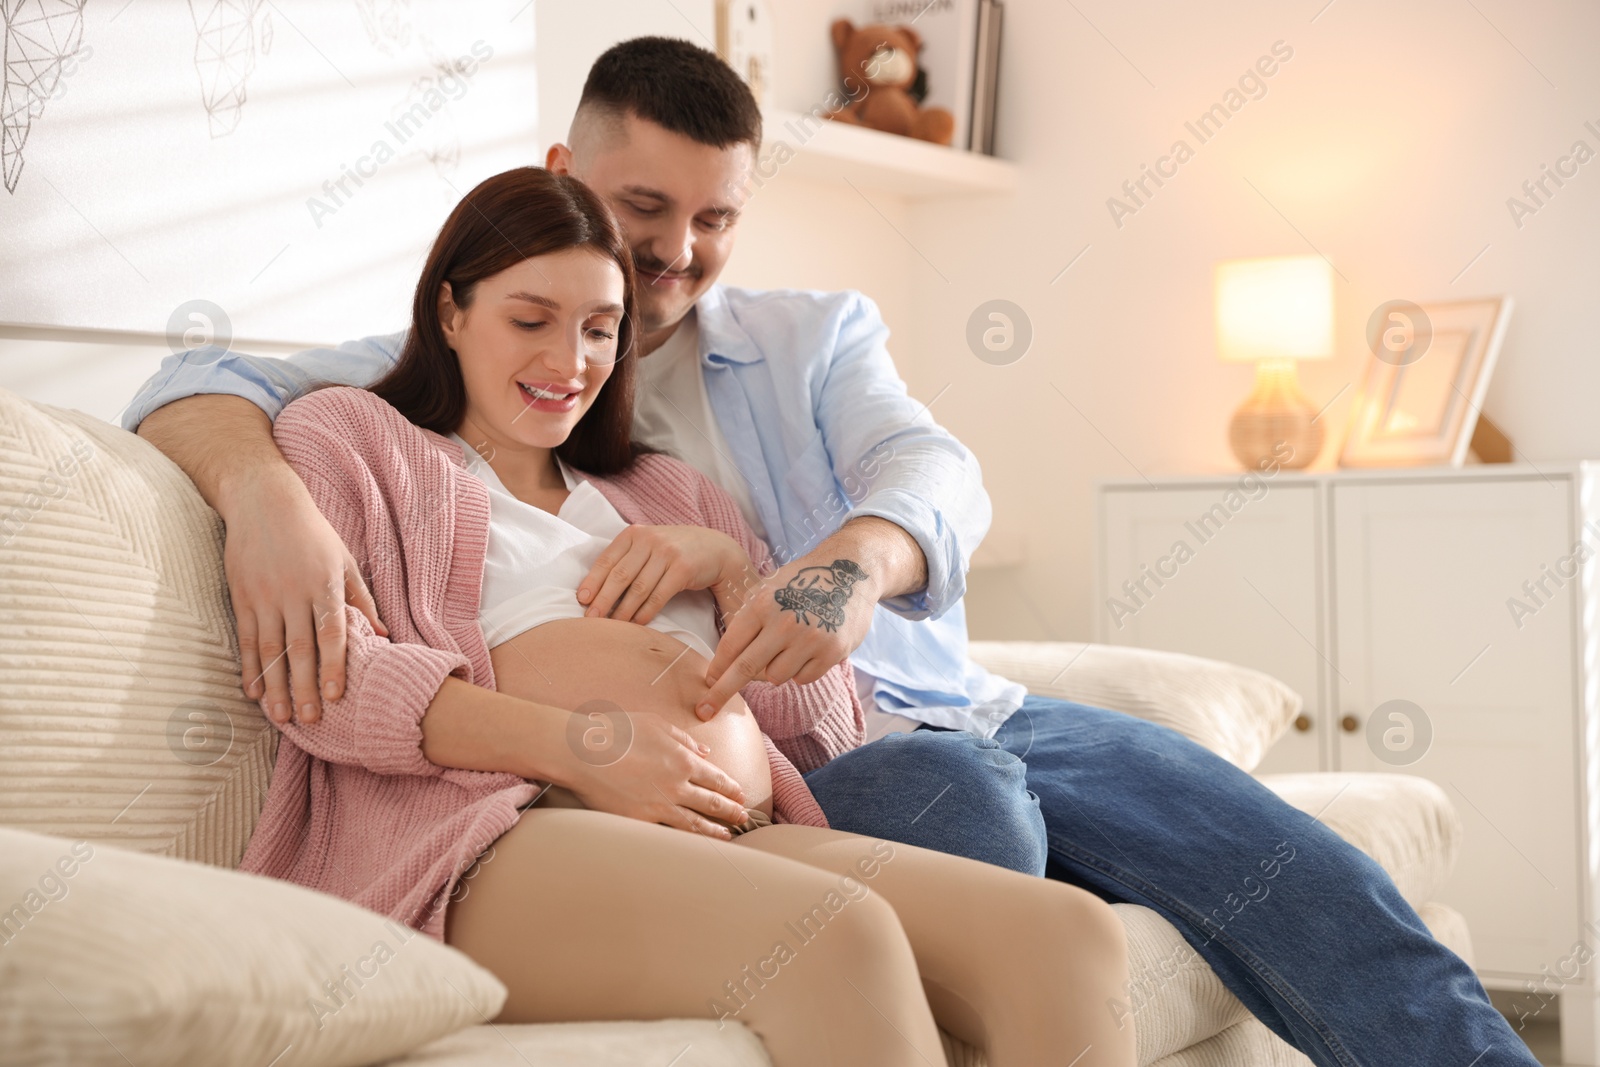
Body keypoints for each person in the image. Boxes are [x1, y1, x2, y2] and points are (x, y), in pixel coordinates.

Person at [123, 36, 1539, 1067]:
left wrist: (796, 568)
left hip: (905, 711)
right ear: (475, 285)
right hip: (551, 812)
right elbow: (206, 389)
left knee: (1166, 908)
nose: (665, 266)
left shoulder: (735, 401)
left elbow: (922, 492)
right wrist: (263, 500)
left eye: (709, 222)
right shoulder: (373, 419)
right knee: (921, 866)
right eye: (637, 219)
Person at [244, 162, 1135, 1067]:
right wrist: (585, 749)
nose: (570, 361)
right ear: (449, 311)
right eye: (529, 320)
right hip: (497, 837)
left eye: (600, 328)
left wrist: (732, 573)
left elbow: (826, 730)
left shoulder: (665, 488)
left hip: (738, 833)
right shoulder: (354, 441)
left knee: (1065, 935)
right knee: (841, 940)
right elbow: (334, 682)